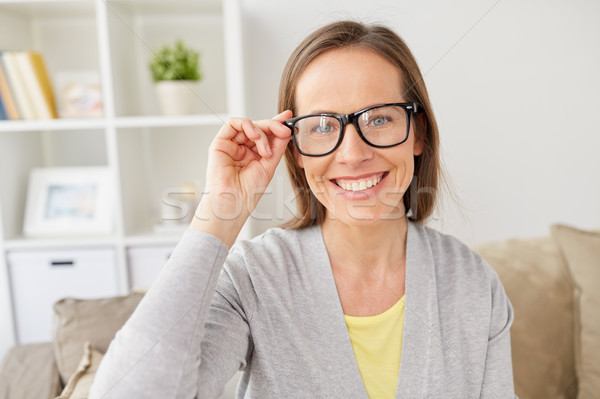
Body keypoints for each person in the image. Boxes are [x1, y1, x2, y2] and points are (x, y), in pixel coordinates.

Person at [90, 20, 516, 398]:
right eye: (323, 126)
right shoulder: (254, 278)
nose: (352, 154)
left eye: (380, 119)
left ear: (418, 134)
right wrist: (220, 212)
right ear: (295, 151)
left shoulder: (474, 285)